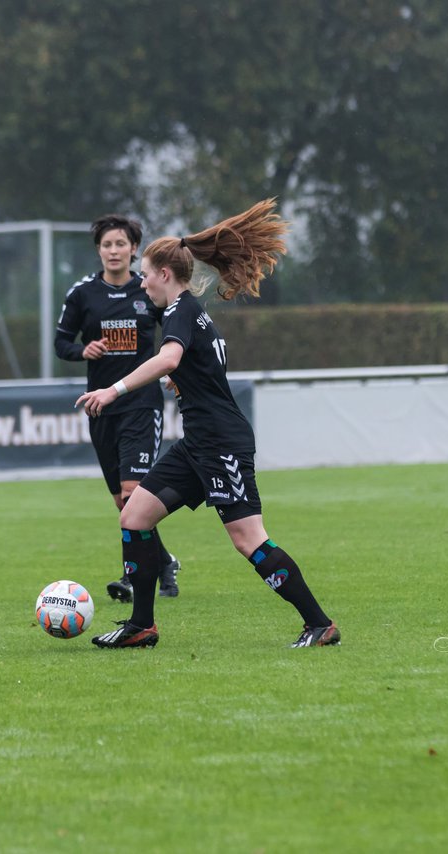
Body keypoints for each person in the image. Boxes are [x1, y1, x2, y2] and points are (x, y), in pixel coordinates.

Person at [76, 199, 340, 648]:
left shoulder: (181, 310)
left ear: (164, 274)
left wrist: (113, 389)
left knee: (248, 539)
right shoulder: (185, 312)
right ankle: (141, 626)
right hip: (197, 443)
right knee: (135, 515)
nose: (141, 281)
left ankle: (319, 624)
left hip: (221, 444)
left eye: (145, 272)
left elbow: (170, 357)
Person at [56, 214, 181, 602]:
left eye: (121, 244)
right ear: (99, 250)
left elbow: (176, 337)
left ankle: (132, 576)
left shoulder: (149, 290)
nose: (114, 251)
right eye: (107, 244)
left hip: (141, 404)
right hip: (100, 407)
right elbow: (61, 343)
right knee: (122, 502)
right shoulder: (82, 294)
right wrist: (82, 350)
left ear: (132, 249)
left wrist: (178, 371)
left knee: (133, 494)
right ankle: (163, 562)